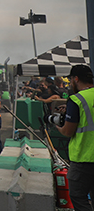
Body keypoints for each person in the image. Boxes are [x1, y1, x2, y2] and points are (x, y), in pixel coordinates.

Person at [50, 64, 94, 210]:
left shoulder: (76, 100)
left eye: (70, 80)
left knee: (77, 196)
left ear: (76, 79)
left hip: (84, 158)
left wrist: (58, 126)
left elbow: (68, 131)